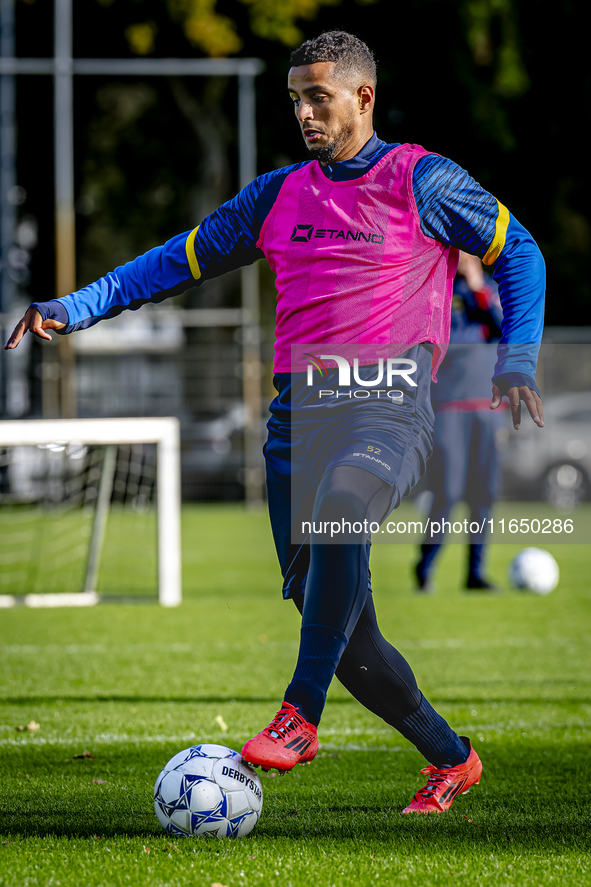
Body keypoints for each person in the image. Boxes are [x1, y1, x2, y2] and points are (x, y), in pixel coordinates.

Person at [5, 31, 545, 814]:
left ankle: (299, 711)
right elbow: (172, 261)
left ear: (362, 96)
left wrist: (516, 358)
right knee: (350, 640)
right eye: (294, 97)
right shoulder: (276, 195)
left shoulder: (420, 179)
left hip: (388, 405)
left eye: (317, 95)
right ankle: (451, 758)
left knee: (342, 512)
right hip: (296, 424)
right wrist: (74, 306)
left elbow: (518, 249)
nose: (303, 111)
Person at [415, 251, 507, 592]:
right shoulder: (436, 293)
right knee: (448, 491)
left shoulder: (492, 293)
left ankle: (475, 573)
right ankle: (425, 567)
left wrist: (478, 289)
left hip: (487, 408)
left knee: (484, 493)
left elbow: (503, 328)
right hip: (449, 407)